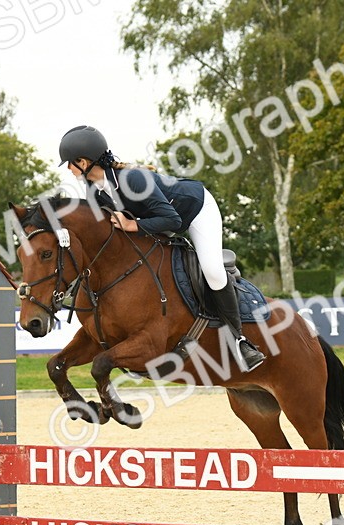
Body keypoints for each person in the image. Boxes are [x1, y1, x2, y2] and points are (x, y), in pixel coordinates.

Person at [57, 124, 265, 373]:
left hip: (194, 210)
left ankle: (240, 340)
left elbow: (174, 221)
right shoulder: (94, 188)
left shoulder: (133, 179)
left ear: (85, 161)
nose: (69, 169)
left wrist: (133, 225)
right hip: (156, 220)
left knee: (212, 270)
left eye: (70, 163)